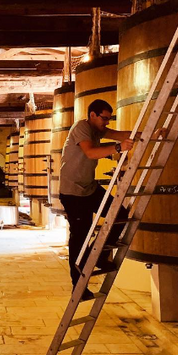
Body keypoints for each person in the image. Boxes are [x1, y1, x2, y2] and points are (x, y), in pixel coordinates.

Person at [58, 99, 133, 300]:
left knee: (120, 214)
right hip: (73, 193)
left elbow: (123, 135)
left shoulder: (97, 129)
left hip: (89, 188)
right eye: (104, 118)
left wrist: (152, 134)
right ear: (93, 115)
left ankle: (99, 256)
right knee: (80, 237)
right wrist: (117, 148)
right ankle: (78, 286)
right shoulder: (82, 127)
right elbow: (90, 153)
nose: (107, 122)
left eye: (108, 119)